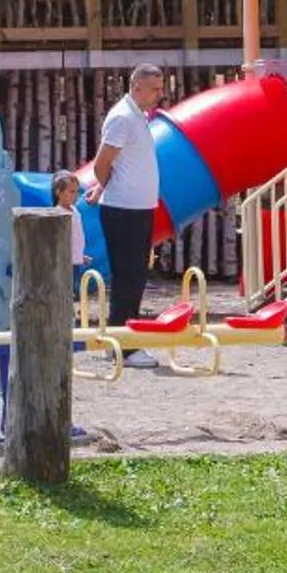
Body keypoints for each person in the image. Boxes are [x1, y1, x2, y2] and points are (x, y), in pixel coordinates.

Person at [87, 63, 166, 363]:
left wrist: (101, 188)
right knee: (128, 278)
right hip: (124, 210)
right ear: (136, 87)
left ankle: (121, 341)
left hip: (137, 208)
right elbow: (102, 163)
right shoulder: (123, 117)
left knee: (134, 276)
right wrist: (106, 187)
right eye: (154, 89)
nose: (159, 94)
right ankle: (125, 346)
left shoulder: (138, 116)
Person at [52, 170, 90, 275]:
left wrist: (79, 256)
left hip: (74, 262)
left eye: (77, 192)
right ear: (59, 192)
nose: (76, 196)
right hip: (63, 263)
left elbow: (75, 237)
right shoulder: (58, 213)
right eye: (72, 192)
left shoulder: (75, 210)